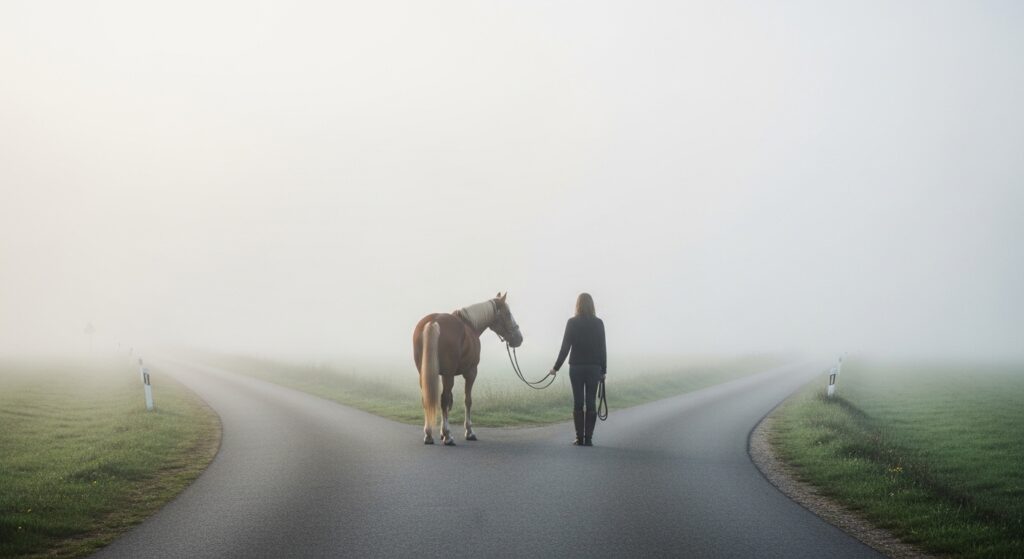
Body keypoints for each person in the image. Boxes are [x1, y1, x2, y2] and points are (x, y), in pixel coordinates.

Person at [547, 293, 606, 446]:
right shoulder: (599, 323)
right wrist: (603, 371)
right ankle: (589, 439)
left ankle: (579, 438)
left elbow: (565, 347)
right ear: (592, 305)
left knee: (578, 401)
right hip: (594, 367)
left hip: (576, 368)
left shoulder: (572, 323)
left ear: (577, 305)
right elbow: (602, 349)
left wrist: (556, 367)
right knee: (591, 401)